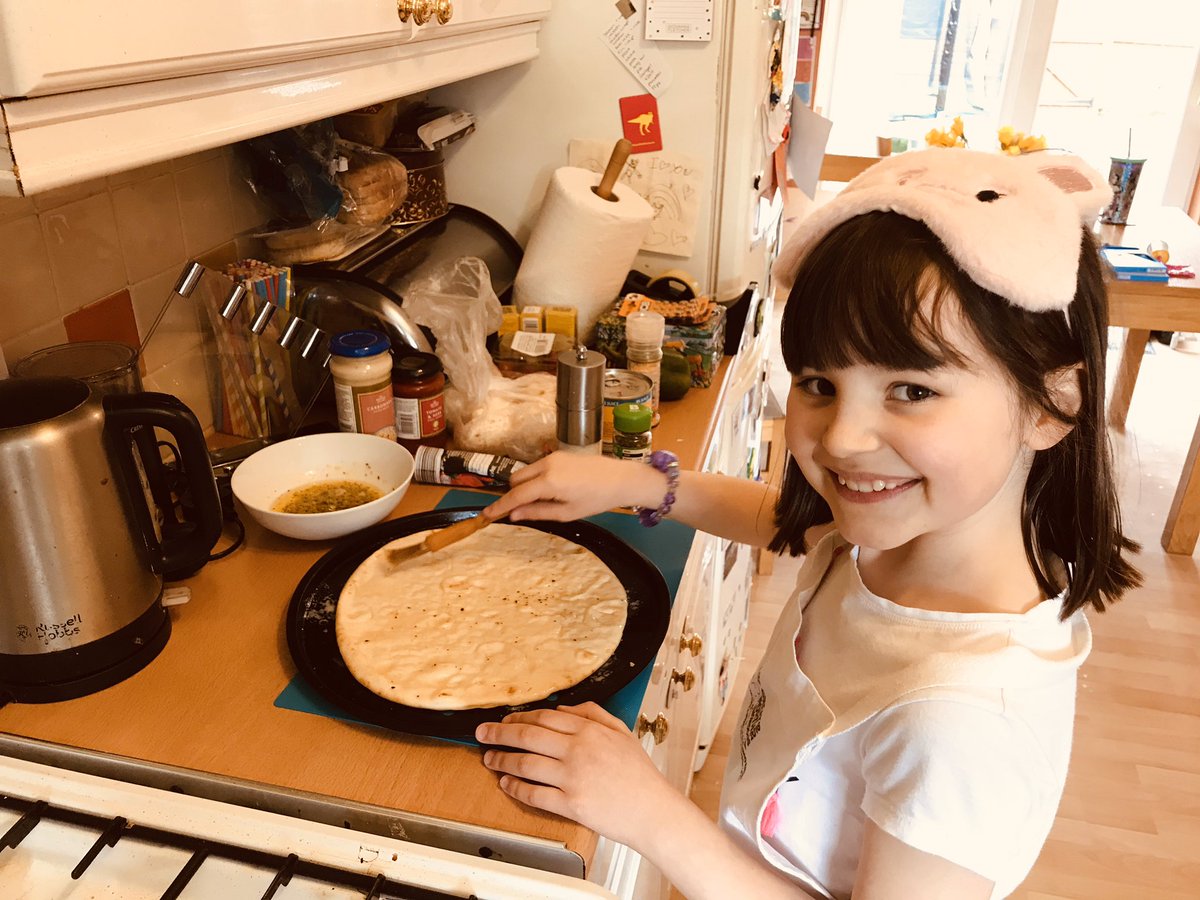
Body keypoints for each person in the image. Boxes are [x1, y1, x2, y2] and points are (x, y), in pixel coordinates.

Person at [476, 147, 1141, 900]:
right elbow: (798, 529)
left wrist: (653, 815)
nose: (843, 439)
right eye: (819, 382)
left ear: (1053, 404)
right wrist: (638, 482)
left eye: (912, 390)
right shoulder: (914, 539)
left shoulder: (963, 724)